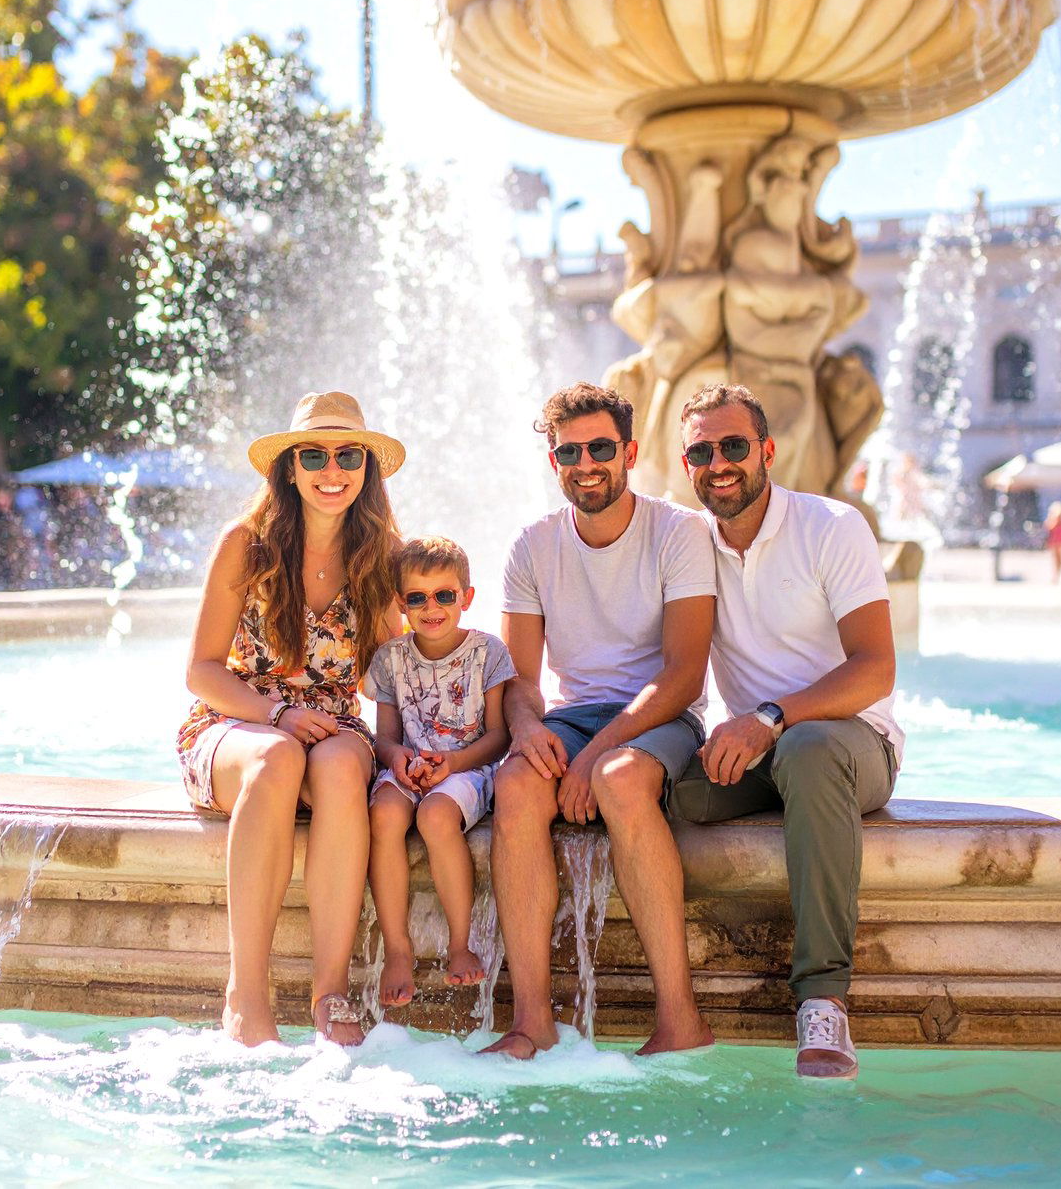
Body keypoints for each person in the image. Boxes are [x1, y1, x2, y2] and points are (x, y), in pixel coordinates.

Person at [671, 382, 900, 1079]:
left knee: (806, 748)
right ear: (687, 466)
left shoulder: (832, 525)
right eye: (702, 451)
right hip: (758, 755)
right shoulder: (686, 546)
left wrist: (771, 716)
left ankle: (823, 1000)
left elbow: (876, 668)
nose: (720, 463)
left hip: (848, 742)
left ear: (767, 450)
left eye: (735, 446)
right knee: (654, 789)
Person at [484, 381, 717, 1060]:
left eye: (600, 448)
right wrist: (529, 733)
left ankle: (680, 1021)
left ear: (630, 452)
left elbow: (683, 676)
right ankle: (532, 1021)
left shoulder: (679, 533)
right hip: (574, 717)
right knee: (519, 785)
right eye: (569, 452)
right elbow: (520, 682)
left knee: (617, 781)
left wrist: (591, 758)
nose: (585, 463)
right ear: (553, 462)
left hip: (660, 717)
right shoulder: (531, 546)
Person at [177, 391, 404, 1048]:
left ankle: (329, 992)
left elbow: (392, 672)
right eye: (314, 455)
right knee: (277, 759)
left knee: (336, 771)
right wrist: (278, 712)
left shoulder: (381, 554)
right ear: (289, 467)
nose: (331, 469)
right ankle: (246, 994)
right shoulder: (245, 545)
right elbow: (203, 669)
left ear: (367, 467)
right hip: (239, 721)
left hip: (333, 726)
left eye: (348, 456)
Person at [364, 535, 515, 1006]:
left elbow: (500, 736)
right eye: (417, 598)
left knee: (434, 817)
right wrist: (397, 760)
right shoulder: (389, 660)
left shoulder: (488, 653)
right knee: (385, 816)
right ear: (400, 603)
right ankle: (398, 949)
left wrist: (452, 763)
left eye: (444, 595)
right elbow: (384, 736)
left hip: (468, 767)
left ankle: (459, 943)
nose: (432, 608)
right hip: (408, 764)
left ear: (466, 598)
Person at [1045, 501, 1061, 583]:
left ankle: (1056, 577)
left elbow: (1049, 526)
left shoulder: (1059, 518)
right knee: (1058, 561)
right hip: (1057, 542)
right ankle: (1055, 577)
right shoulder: (1058, 518)